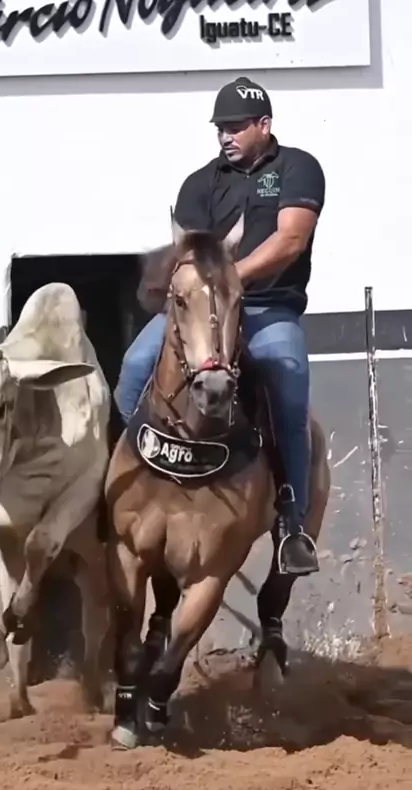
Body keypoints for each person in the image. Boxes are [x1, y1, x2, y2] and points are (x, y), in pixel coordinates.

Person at [114, 76, 326, 574]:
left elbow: (291, 240)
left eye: (235, 127)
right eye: (220, 128)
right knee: (135, 364)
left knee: (288, 382)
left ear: (263, 125)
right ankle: (114, 490)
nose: (225, 136)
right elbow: (189, 255)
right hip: (200, 311)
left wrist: (231, 279)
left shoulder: (297, 168)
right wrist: (201, 288)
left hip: (269, 308)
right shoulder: (200, 183)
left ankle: (291, 521)